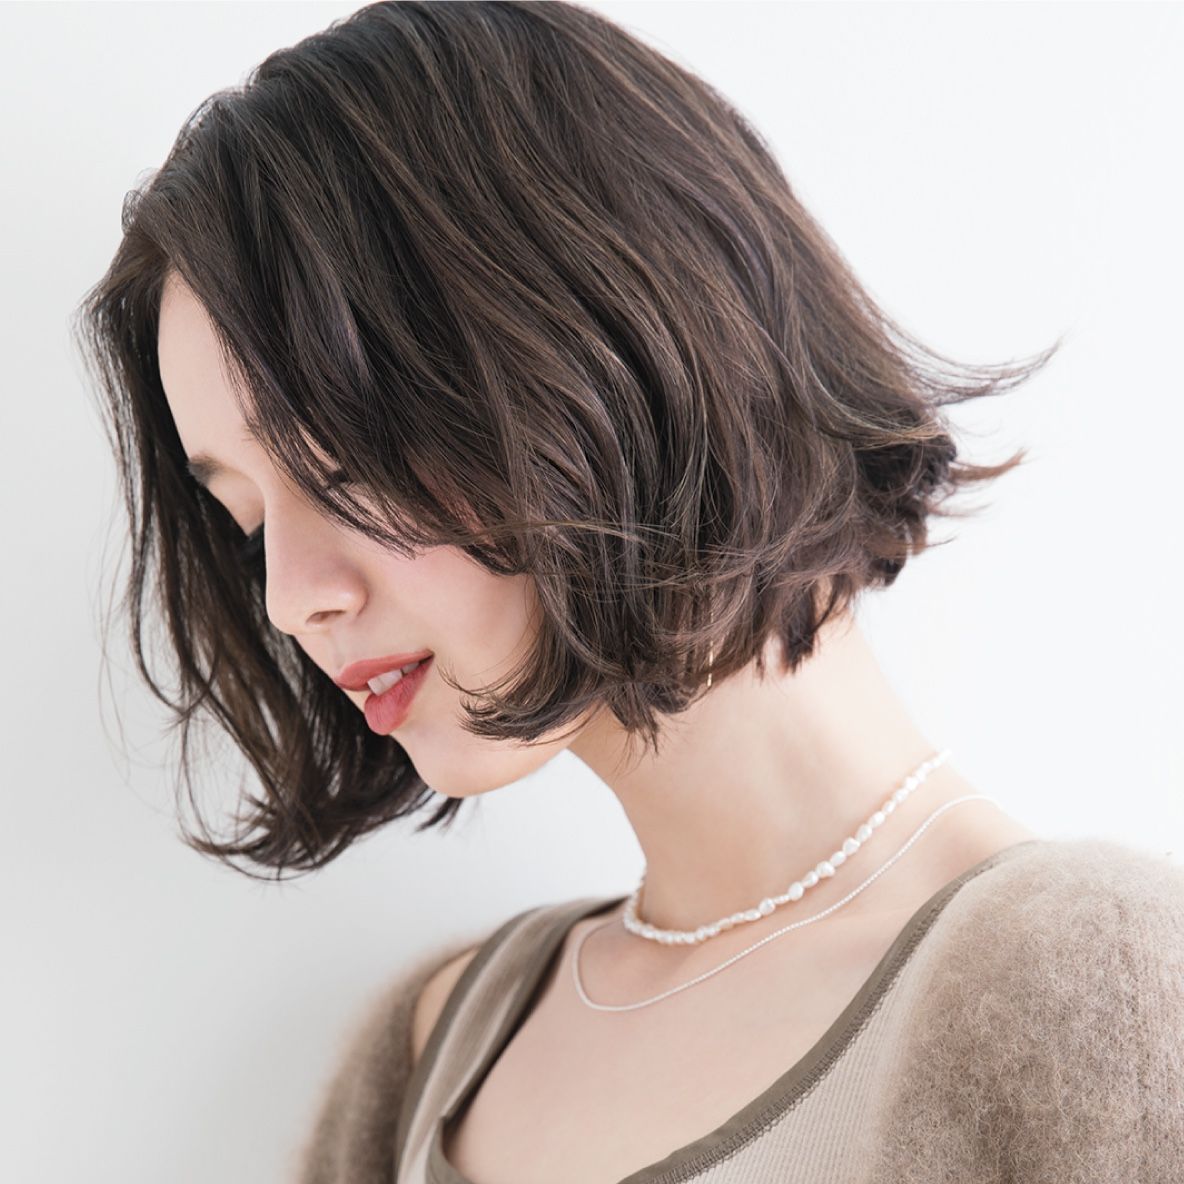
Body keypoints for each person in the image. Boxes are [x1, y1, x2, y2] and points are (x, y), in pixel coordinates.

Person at [74, 2, 1183, 1181]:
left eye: (341, 471)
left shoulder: (1092, 986)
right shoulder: (437, 1044)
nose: (292, 597)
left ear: (600, 354)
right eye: (248, 521)